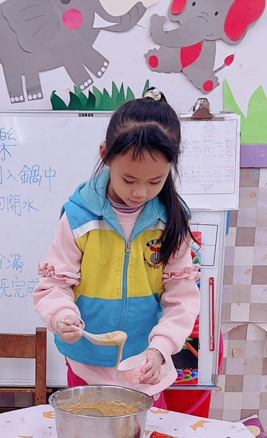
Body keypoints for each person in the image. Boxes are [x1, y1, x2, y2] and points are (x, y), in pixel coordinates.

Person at [33, 87, 200, 407]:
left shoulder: (171, 221)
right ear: (106, 154)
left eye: (155, 181)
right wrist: (62, 315)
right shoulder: (80, 217)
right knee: (87, 429)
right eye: (129, 179)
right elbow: (54, 284)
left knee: (145, 434)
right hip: (87, 361)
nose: (140, 192)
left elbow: (181, 297)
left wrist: (161, 348)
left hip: (146, 362)